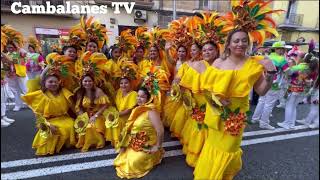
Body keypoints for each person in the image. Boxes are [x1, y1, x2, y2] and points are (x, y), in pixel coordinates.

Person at [194, 27, 277, 179]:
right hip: (216, 114)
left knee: (229, 149)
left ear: (248, 44)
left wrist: (270, 74)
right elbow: (206, 89)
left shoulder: (254, 65)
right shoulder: (219, 62)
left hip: (236, 118)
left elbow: (262, 91)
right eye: (236, 40)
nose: (240, 44)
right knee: (213, 146)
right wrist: (217, 99)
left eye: (244, 40)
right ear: (229, 44)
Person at [114, 86, 164, 179]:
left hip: (148, 145)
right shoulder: (138, 109)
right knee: (122, 157)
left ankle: (156, 154)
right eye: (137, 96)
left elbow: (160, 130)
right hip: (136, 143)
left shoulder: (151, 112)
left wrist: (157, 146)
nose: (138, 99)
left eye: (142, 97)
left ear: (149, 98)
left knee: (133, 163)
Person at [21, 71, 76, 155]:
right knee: (53, 130)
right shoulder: (40, 95)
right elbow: (38, 116)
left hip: (64, 118)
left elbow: (74, 107)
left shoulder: (64, 92)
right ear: (45, 83)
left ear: (59, 83)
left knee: (70, 124)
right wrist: (48, 125)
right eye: (50, 82)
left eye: (55, 82)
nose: (53, 84)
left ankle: (64, 145)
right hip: (48, 121)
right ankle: (53, 147)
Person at [74, 52, 110, 151]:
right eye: (85, 81)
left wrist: (96, 115)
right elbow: (78, 107)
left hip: (99, 115)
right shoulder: (80, 92)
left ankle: (98, 141)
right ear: (81, 82)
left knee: (92, 126)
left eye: (90, 81)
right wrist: (83, 117)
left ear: (93, 82)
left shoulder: (98, 91)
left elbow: (105, 105)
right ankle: (86, 142)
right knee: (84, 126)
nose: (87, 83)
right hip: (87, 115)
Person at [251, 41, 289, 130]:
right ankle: (264, 122)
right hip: (274, 83)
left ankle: (255, 118)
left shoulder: (267, 57)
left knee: (262, 100)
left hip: (264, 81)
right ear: (277, 49)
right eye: (282, 49)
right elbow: (288, 71)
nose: (284, 51)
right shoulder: (281, 59)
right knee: (269, 104)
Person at [277, 55, 316, 129]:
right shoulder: (311, 68)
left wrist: (284, 64)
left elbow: (289, 72)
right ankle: (291, 124)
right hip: (303, 90)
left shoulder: (301, 66)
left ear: (304, 59)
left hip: (294, 88)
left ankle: (287, 123)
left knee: (289, 106)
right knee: (294, 106)